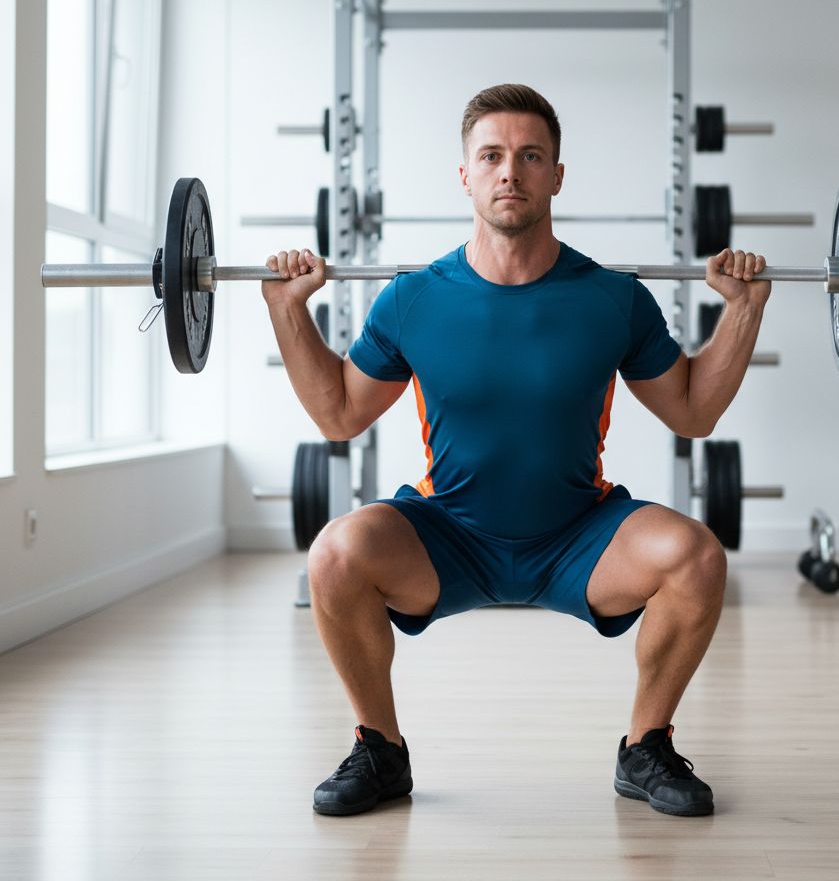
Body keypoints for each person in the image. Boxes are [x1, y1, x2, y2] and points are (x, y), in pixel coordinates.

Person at [262, 84, 770, 818]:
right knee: (336, 553)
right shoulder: (412, 299)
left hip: (578, 536)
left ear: (557, 175)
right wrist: (288, 313)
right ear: (464, 175)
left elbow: (692, 412)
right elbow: (339, 414)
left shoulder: (613, 298)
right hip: (448, 536)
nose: (511, 173)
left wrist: (742, 312)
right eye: (492, 156)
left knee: (695, 556)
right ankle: (379, 749)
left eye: (531, 156)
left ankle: (646, 747)